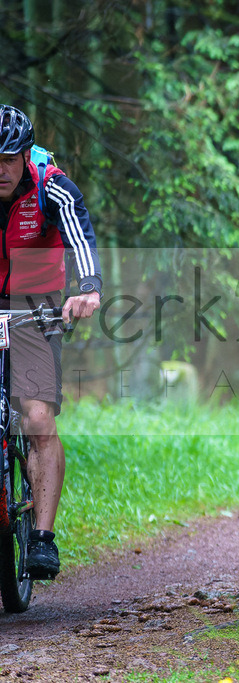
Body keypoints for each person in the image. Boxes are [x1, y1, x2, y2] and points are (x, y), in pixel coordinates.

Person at [0, 105, 102, 580]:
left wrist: (88, 288)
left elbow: (80, 233)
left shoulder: (49, 184)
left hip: (33, 301)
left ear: (25, 156)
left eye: (8, 159)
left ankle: (41, 537)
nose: (0, 170)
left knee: (37, 417)